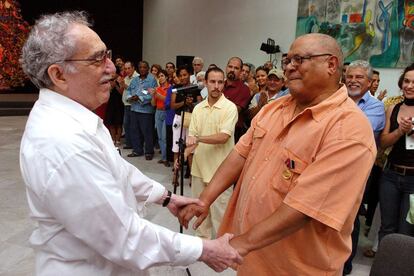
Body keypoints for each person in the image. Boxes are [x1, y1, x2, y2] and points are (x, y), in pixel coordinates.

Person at [19, 11, 242, 275]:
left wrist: (165, 197)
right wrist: (204, 250)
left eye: (107, 55)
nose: (112, 68)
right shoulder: (63, 142)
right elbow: (124, 237)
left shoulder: (77, 120)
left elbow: (119, 170)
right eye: (97, 59)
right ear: (59, 75)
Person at [179, 33, 377, 275]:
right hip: (252, 259)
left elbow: (305, 208)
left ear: (331, 64)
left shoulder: (349, 130)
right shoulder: (274, 108)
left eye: (299, 59)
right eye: (288, 60)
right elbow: (239, 155)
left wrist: (237, 246)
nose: (290, 67)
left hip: (294, 268)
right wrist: (204, 199)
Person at [343, 60, 385, 275]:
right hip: (333, 167)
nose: (353, 81)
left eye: (359, 77)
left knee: (351, 215)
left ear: (369, 82)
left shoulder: (376, 106)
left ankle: (345, 264)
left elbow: (357, 133)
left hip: (358, 171)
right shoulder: (337, 99)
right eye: (350, 76)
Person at [186, 67, 238, 239]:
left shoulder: (229, 108)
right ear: (205, 83)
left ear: (224, 84)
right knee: (200, 211)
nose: (216, 86)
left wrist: (198, 139)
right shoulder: (198, 108)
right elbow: (192, 136)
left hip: (221, 172)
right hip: (199, 169)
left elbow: (223, 137)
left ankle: (223, 247)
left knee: (221, 215)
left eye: (220, 82)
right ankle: (203, 244)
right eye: (212, 82)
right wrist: (184, 154)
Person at [378, 63, 414, 243]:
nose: (409, 86)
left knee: (406, 231)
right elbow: (383, 143)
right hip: (390, 176)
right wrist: (400, 131)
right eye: (406, 81)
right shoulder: (393, 108)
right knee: (387, 227)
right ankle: (383, 268)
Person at [127, 61, 157, 160]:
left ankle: (149, 152)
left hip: (146, 111)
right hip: (134, 109)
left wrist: (139, 97)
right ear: (138, 69)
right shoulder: (135, 80)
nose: (142, 69)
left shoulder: (152, 79)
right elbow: (129, 90)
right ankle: (137, 150)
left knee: (147, 132)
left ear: (148, 69)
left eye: (144, 67)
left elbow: (152, 94)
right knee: (134, 131)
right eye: (140, 67)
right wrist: (130, 97)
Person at [223, 57, 251, 143]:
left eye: (236, 68)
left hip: (233, 132)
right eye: (230, 67)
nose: (232, 70)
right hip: (214, 128)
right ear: (226, 68)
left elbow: (234, 110)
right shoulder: (219, 85)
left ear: (241, 71)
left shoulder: (244, 89)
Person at [151, 69, 170, 166]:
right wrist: (153, 96)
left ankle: (166, 158)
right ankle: (163, 157)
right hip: (158, 112)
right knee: (159, 137)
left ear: (166, 77)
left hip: (166, 112)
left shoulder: (170, 88)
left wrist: (157, 95)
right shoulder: (157, 89)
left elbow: (168, 101)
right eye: (159, 76)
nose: (160, 78)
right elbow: (153, 104)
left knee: (164, 137)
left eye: (162, 76)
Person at [119, 61, 138, 149]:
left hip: (133, 105)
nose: (127, 70)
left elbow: (134, 90)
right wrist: (120, 85)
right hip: (126, 104)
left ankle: (134, 145)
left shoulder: (137, 77)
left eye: (128, 68)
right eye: (125, 69)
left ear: (133, 68)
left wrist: (123, 84)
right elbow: (123, 90)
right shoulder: (126, 77)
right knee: (126, 125)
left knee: (133, 126)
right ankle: (129, 143)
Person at [104, 70, 124, 146]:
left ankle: (118, 140)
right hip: (110, 103)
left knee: (119, 123)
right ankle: (113, 139)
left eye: (114, 72)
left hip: (119, 103)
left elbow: (122, 93)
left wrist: (116, 85)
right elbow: (106, 92)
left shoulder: (120, 80)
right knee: (111, 122)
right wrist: (110, 87)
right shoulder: (108, 80)